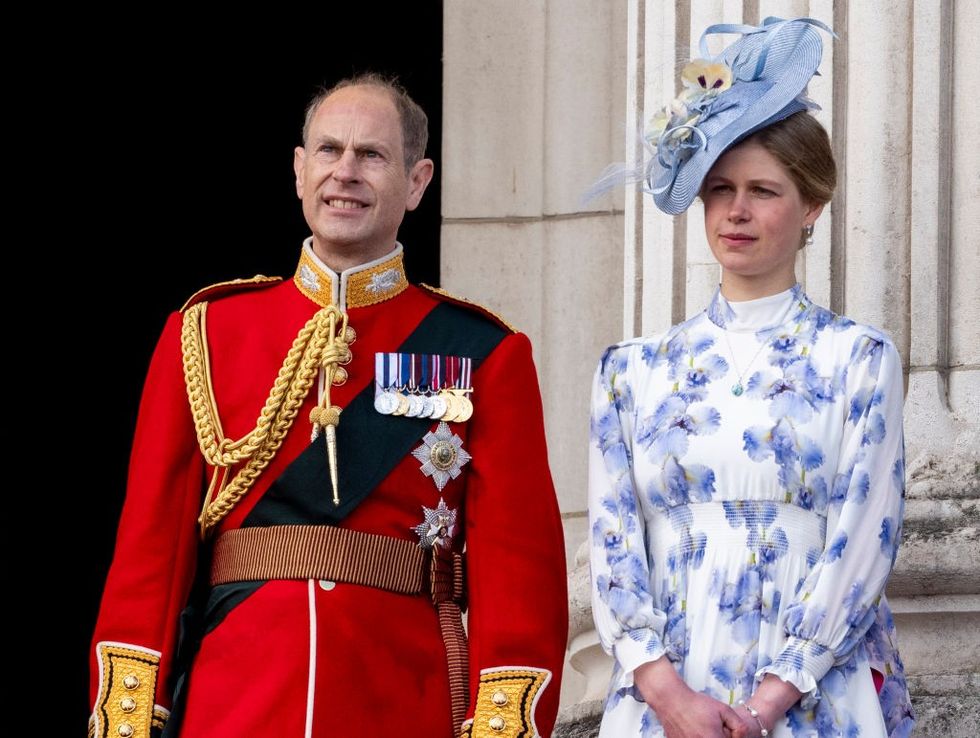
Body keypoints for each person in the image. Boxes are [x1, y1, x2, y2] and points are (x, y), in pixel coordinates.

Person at [90, 73, 567, 738]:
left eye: (371, 156)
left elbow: (520, 572)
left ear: (417, 181)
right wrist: (129, 721)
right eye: (328, 151)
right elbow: (149, 555)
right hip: (236, 700)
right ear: (298, 169)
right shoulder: (205, 332)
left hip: (404, 699)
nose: (345, 173)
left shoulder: (483, 351)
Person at [588, 18, 915, 738]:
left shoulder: (858, 358)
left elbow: (866, 536)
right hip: (661, 702)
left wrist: (771, 700)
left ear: (812, 208)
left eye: (763, 190)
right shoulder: (633, 370)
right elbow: (613, 546)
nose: (736, 210)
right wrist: (669, 697)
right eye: (720, 188)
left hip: (812, 694)